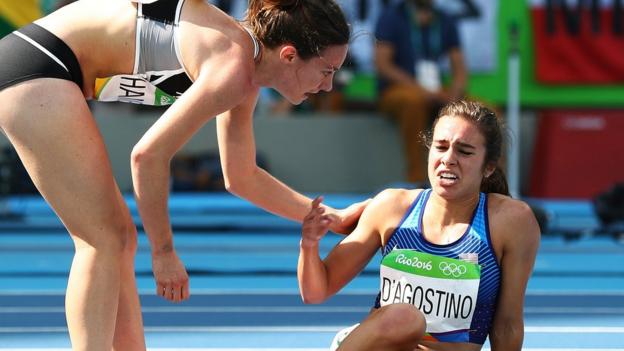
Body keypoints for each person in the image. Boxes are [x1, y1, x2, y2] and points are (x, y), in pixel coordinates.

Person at [0, 0, 366, 350]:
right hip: (38, 66)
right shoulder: (232, 66)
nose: (328, 86)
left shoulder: (244, 72)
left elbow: (240, 176)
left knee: (118, 240)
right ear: (289, 55)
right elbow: (147, 156)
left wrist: (325, 216)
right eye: (327, 70)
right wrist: (164, 252)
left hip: (43, 68)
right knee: (104, 239)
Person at [298, 100, 540, 350]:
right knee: (404, 318)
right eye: (441, 147)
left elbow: (507, 324)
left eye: (464, 151)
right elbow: (317, 291)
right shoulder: (392, 207)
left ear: (488, 167)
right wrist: (309, 244)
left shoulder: (511, 222)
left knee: (405, 316)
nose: (448, 159)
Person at [374, 0, 467, 184]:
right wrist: (421, 90)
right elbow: (383, 65)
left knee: (482, 111)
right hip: (399, 91)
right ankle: (417, 181)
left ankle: (487, 186)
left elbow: (460, 70)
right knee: (414, 103)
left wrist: (454, 97)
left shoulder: (445, 19)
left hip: (436, 91)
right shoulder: (391, 17)